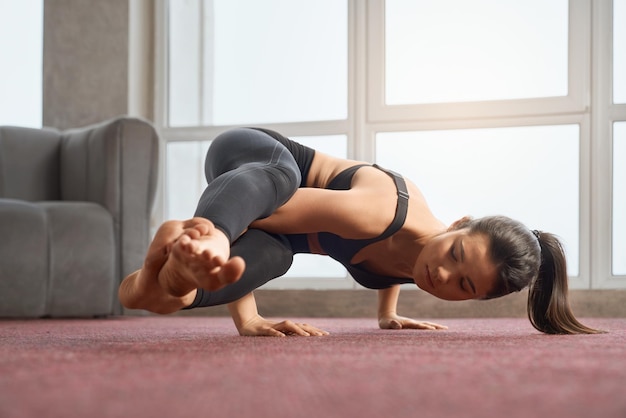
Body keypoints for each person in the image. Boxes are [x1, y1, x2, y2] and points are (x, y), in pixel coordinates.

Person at [119, 127, 602, 336]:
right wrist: (219, 240)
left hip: (275, 229)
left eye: (464, 286)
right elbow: (262, 212)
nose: (441, 275)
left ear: (473, 299)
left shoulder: (427, 267)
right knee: (279, 183)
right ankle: (202, 241)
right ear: (458, 223)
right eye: (455, 253)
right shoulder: (381, 212)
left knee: (175, 293)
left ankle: (156, 281)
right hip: (257, 159)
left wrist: (387, 316)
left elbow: (401, 266)